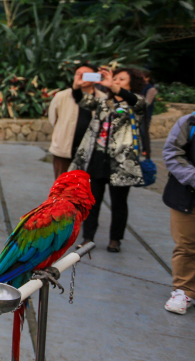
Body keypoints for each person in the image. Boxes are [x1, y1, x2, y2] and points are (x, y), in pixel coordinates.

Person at [70, 67, 146, 253]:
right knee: (92, 200)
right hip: (98, 157)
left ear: (131, 84)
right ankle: (88, 238)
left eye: (121, 79)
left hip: (122, 162)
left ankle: (115, 239)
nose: (116, 82)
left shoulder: (136, 103)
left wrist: (112, 86)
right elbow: (82, 100)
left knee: (119, 203)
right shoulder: (105, 102)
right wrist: (76, 85)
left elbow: (135, 101)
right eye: (115, 79)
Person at [162, 110, 195, 314]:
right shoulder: (190, 122)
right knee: (187, 244)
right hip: (188, 194)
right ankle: (184, 290)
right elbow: (171, 152)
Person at [47, 63, 99, 179]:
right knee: (63, 186)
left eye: (85, 74)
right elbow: (53, 119)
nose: (81, 77)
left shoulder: (102, 98)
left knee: (87, 188)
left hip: (92, 152)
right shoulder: (62, 96)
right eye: (78, 74)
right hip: (65, 149)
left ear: (95, 77)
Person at [140, 70, 158, 158]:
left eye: (143, 77)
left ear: (148, 78)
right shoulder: (139, 87)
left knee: (144, 132)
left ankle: (146, 150)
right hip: (137, 113)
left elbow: (147, 103)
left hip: (145, 114)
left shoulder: (151, 89)